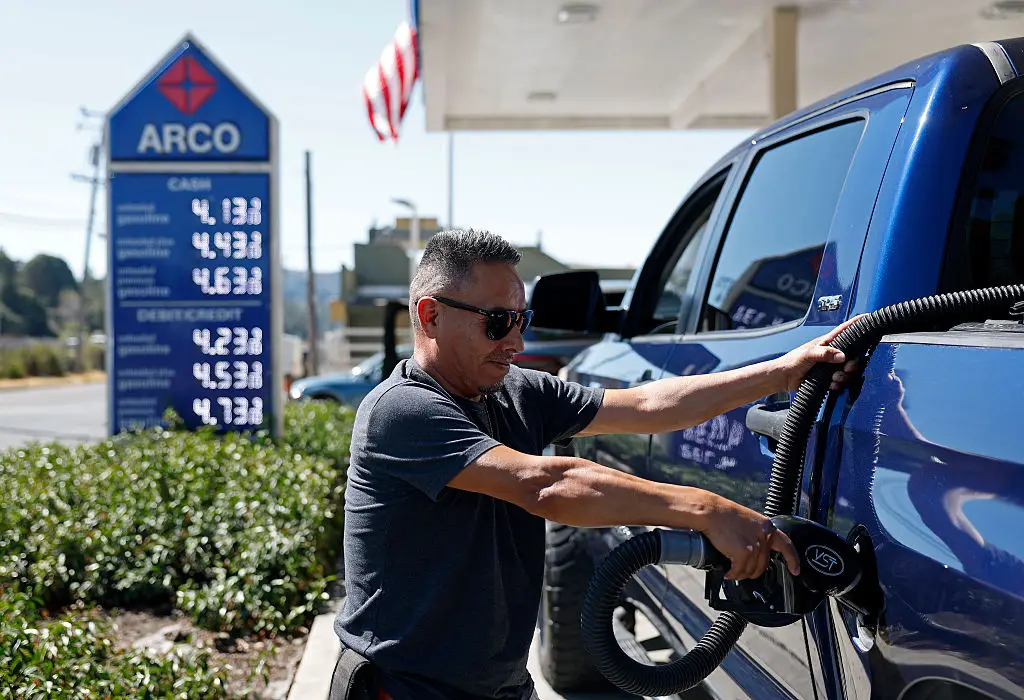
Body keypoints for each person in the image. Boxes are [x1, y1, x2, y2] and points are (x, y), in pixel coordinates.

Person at [331, 229, 860, 700]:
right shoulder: (401, 410)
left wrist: (782, 373)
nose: (515, 342)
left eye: (521, 320)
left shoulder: (515, 393)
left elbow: (651, 405)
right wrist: (708, 510)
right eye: (497, 323)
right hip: (405, 685)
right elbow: (547, 484)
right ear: (430, 315)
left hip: (497, 685)